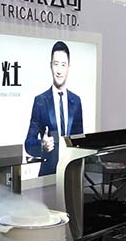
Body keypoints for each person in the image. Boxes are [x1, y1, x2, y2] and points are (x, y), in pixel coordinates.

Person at [24, 41, 84, 176]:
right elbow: (28, 143)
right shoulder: (40, 101)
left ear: (68, 67)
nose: (59, 70)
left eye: (63, 65)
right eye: (56, 64)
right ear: (50, 66)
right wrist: (42, 146)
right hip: (48, 175)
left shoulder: (76, 101)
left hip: (72, 174)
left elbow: (80, 140)